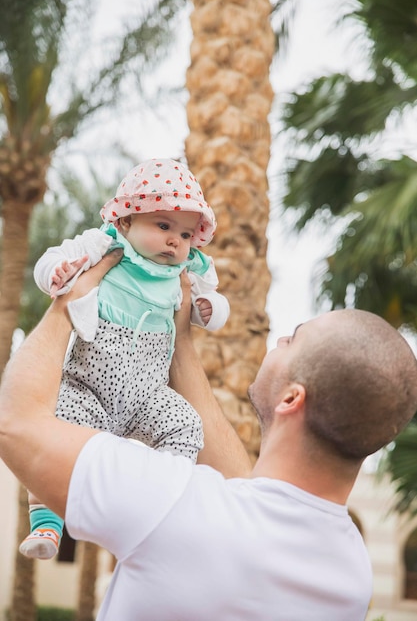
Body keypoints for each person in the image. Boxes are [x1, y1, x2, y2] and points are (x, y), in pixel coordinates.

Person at [1, 253, 417, 621]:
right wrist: (178, 340)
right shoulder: (351, 576)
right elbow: (245, 493)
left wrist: (69, 303)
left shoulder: (169, 502)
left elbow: (14, 422)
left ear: (292, 397)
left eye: (292, 339)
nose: (278, 340)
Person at [19, 157, 230, 560]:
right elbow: (51, 260)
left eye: (185, 233)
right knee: (59, 423)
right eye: (163, 226)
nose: (175, 241)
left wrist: (209, 309)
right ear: (127, 221)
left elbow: (216, 302)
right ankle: (46, 522)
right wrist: (58, 274)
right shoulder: (104, 245)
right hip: (89, 384)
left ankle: (162, 508)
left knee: (186, 425)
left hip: (147, 391)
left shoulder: (189, 268)